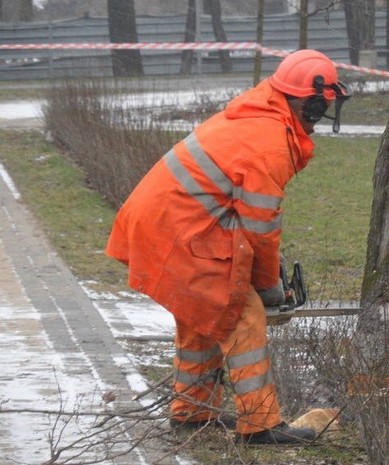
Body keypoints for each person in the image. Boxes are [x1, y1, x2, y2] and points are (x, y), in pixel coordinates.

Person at [105, 49, 350, 445]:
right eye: (323, 106)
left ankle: (192, 412)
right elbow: (260, 230)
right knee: (241, 314)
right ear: (312, 102)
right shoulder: (269, 142)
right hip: (178, 231)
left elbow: (251, 223)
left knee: (203, 315)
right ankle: (260, 425)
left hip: (169, 226)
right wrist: (269, 289)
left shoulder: (261, 117)